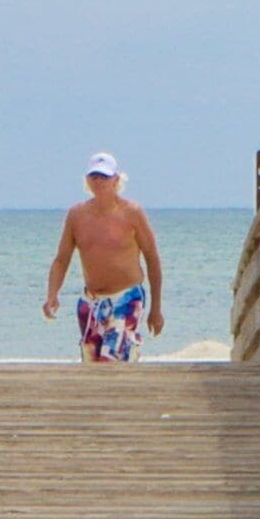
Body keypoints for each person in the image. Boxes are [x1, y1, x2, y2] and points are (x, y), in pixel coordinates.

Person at [42, 152, 167, 364]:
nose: (99, 181)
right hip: (91, 302)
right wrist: (52, 294)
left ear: (116, 180)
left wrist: (156, 309)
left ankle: (128, 351)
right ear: (87, 180)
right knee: (91, 364)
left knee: (111, 360)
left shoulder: (132, 213)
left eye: (104, 177)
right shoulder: (77, 215)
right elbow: (62, 260)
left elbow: (152, 259)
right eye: (94, 177)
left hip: (127, 298)